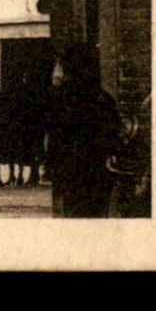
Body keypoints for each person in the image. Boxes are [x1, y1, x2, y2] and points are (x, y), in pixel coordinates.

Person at [46, 44, 120, 218]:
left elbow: (55, 137)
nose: (57, 70)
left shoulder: (63, 99)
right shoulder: (103, 99)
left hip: (74, 173)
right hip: (98, 174)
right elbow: (111, 137)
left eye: (61, 65)